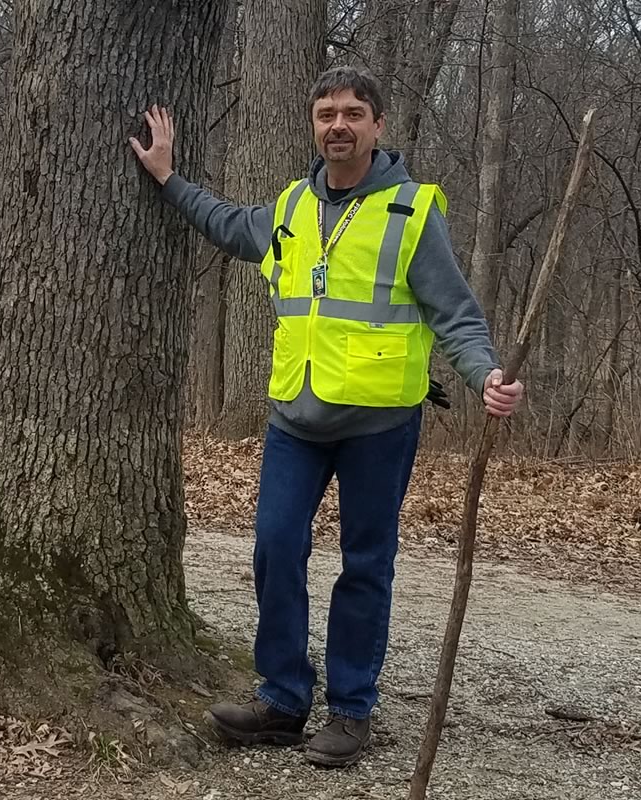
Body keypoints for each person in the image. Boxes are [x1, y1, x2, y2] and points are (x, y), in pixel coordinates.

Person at [130, 65, 524, 767]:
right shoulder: (289, 209)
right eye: (325, 114)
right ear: (313, 126)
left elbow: (455, 313)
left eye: (352, 113)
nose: (337, 125)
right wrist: (167, 177)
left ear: (377, 125)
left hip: (379, 424)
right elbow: (225, 224)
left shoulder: (410, 212)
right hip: (294, 422)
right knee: (275, 549)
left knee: (364, 566)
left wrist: (485, 375)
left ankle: (350, 711)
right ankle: (282, 699)